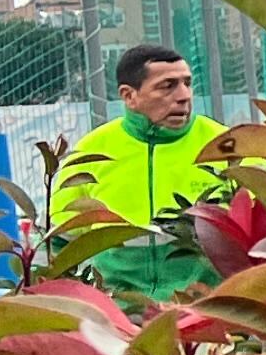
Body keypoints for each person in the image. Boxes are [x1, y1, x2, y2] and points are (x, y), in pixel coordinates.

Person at [49, 44, 231, 301]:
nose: (184, 96)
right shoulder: (91, 152)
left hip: (208, 313)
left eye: (187, 84)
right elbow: (60, 241)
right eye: (167, 86)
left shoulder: (228, 144)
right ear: (129, 96)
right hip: (119, 316)